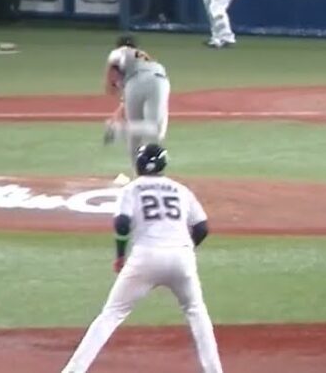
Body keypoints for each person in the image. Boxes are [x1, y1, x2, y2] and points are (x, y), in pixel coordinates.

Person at [59, 144, 222, 373]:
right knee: (196, 311)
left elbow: (122, 224)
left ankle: (73, 371)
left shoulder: (131, 189)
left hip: (145, 256)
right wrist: (184, 249)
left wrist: (120, 255)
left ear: (138, 163)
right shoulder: (181, 190)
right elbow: (202, 228)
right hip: (182, 256)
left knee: (112, 314)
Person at [102, 35, 170, 175]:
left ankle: (136, 173)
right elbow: (124, 100)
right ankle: (150, 171)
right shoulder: (145, 58)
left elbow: (111, 83)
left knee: (134, 134)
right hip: (159, 81)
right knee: (153, 130)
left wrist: (110, 86)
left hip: (134, 84)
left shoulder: (118, 52)